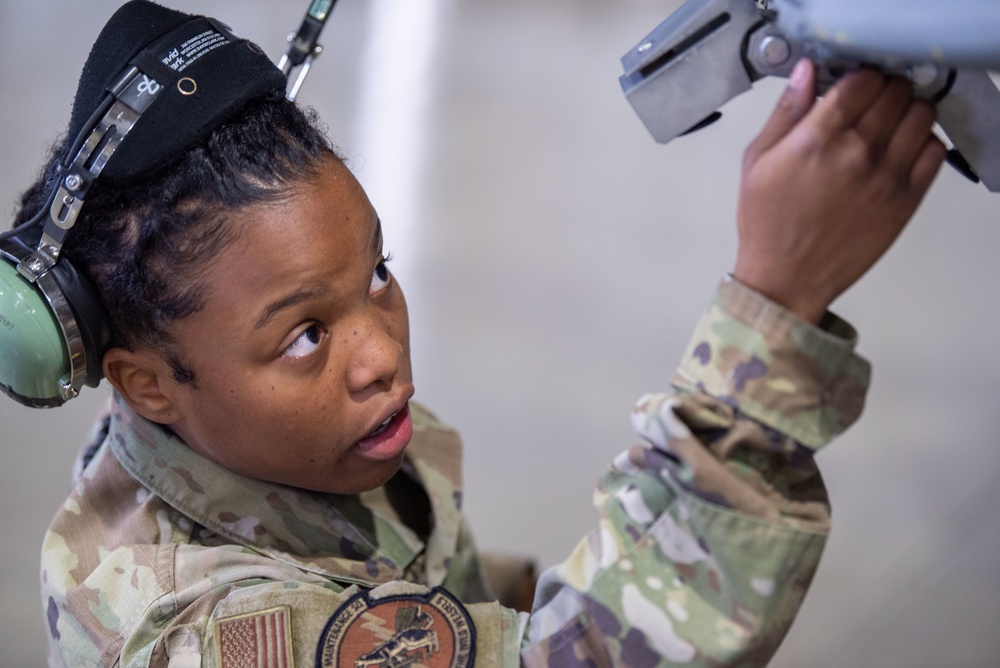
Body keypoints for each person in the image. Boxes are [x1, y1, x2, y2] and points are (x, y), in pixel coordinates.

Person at [20, 1, 945, 666]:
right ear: (146, 384)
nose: (381, 353)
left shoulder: (277, 445)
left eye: (377, 273)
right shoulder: (209, 635)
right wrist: (774, 305)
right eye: (303, 336)